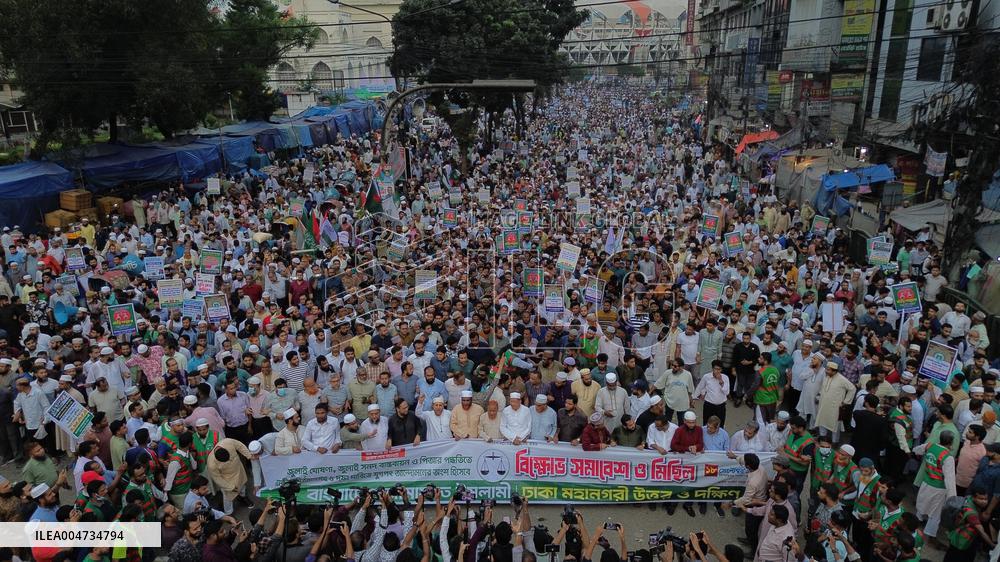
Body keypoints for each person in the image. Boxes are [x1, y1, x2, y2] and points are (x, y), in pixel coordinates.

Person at [914, 430, 957, 539]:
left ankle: (917, 522)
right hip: (939, 488)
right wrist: (952, 498)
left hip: (926, 482)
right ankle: (930, 534)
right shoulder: (948, 457)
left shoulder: (929, 446)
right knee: (935, 513)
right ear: (951, 442)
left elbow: (916, 450)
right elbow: (950, 479)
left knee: (922, 504)